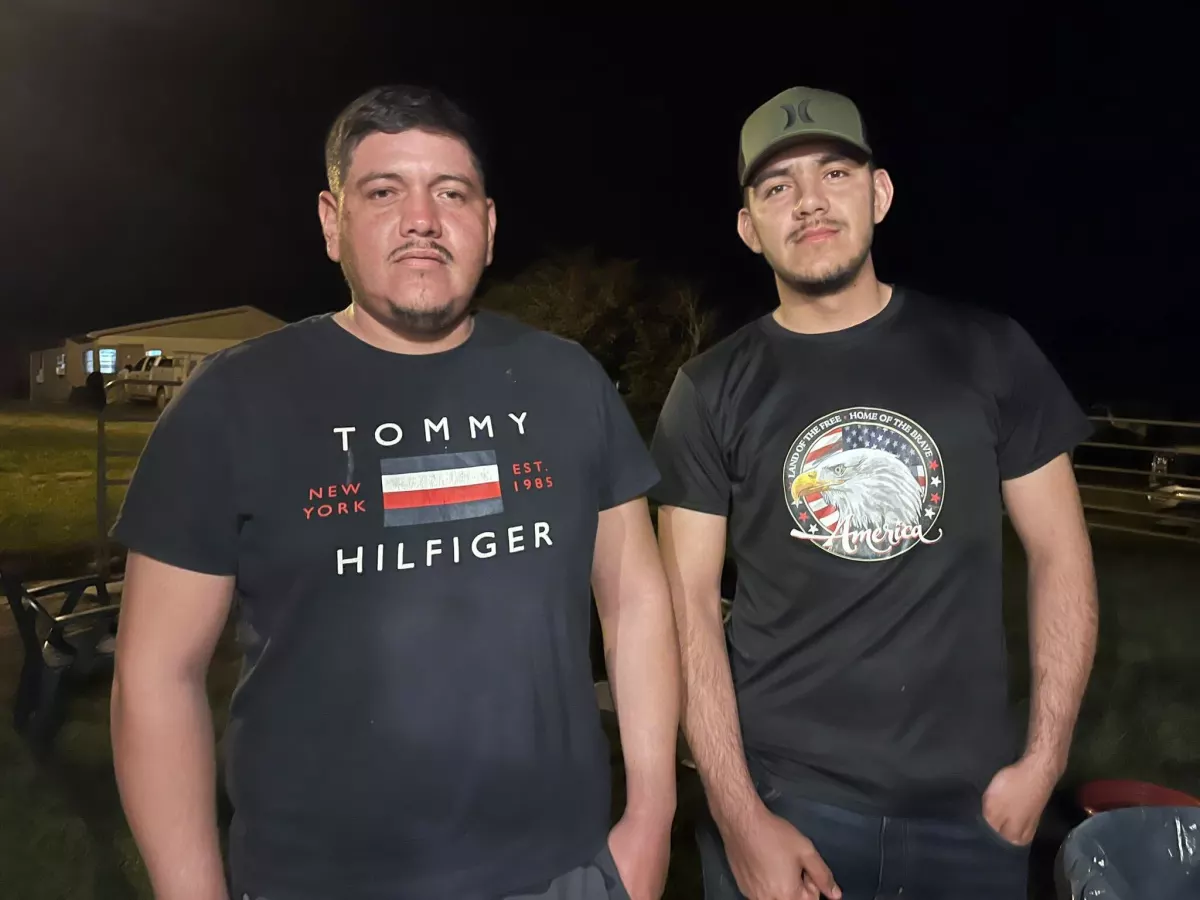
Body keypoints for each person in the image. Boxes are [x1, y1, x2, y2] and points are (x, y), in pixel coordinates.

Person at [110, 84, 680, 900]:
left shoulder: (567, 381)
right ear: (330, 221)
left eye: (451, 192)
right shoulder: (234, 401)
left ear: (488, 224)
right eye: (384, 192)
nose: (422, 217)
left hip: (564, 874)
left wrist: (652, 819)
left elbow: (636, 600)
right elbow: (156, 676)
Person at [650, 86, 1098, 900]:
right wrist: (739, 812)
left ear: (880, 193)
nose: (810, 203)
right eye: (777, 187)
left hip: (973, 810)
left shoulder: (989, 352)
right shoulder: (709, 389)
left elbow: (1060, 552)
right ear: (750, 226)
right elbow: (683, 601)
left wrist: (1045, 760)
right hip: (787, 802)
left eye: (834, 173)